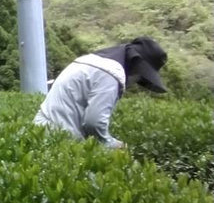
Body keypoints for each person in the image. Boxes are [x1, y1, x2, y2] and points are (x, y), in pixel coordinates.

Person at [34, 36, 167, 149]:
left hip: (40, 132)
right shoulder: (110, 73)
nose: (136, 81)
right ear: (135, 65)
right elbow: (94, 123)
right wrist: (113, 144)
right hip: (59, 141)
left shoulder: (92, 60)